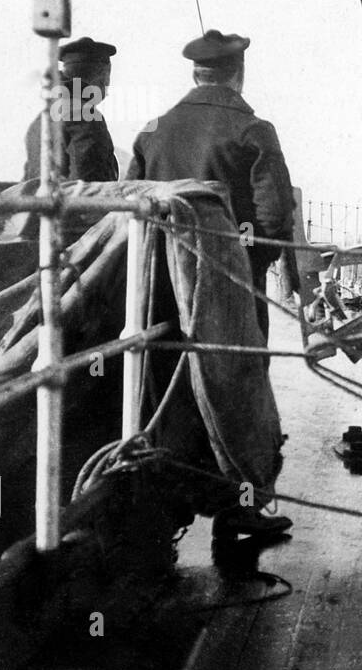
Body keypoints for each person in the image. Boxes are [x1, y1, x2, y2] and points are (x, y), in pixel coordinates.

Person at [126, 29, 296, 541]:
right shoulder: (253, 131)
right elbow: (273, 218)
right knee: (237, 386)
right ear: (237, 72)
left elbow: (129, 201)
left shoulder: (153, 131)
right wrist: (251, 267)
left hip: (159, 288)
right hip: (228, 285)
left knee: (164, 385)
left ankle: (161, 502)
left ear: (195, 73)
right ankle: (237, 510)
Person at [23, 37, 119, 181]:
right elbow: (88, 188)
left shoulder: (40, 119)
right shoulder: (85, 115)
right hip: (66, 202)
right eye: (107, 81)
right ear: (102, 78)